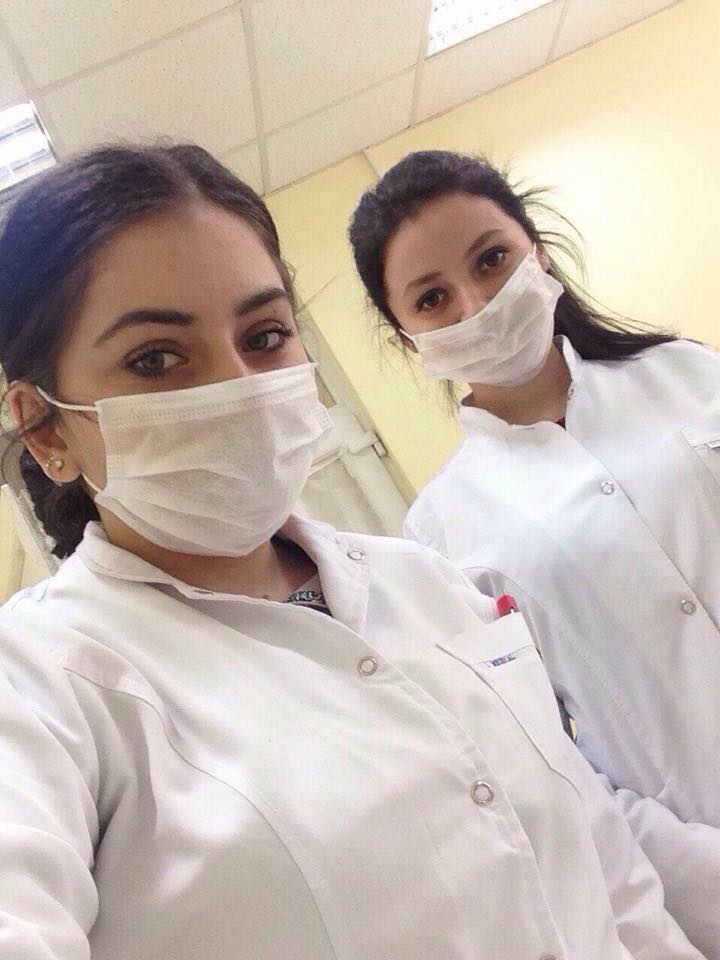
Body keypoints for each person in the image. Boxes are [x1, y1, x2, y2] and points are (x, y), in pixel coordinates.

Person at [0, 144, 704, 960]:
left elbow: (609, 871)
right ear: (45, 430)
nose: (238, 384)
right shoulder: (39, 682)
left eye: (265, 336)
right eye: (155, 359)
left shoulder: (427, 583)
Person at [349, 148, 720, 959]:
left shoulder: (687, 375)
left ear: (538, 253)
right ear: (408, 337)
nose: (476, 303)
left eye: (491, 259)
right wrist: (697, 871)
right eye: (432, 297)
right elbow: (547, 758)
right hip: (697, 851)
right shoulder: (442, 535)